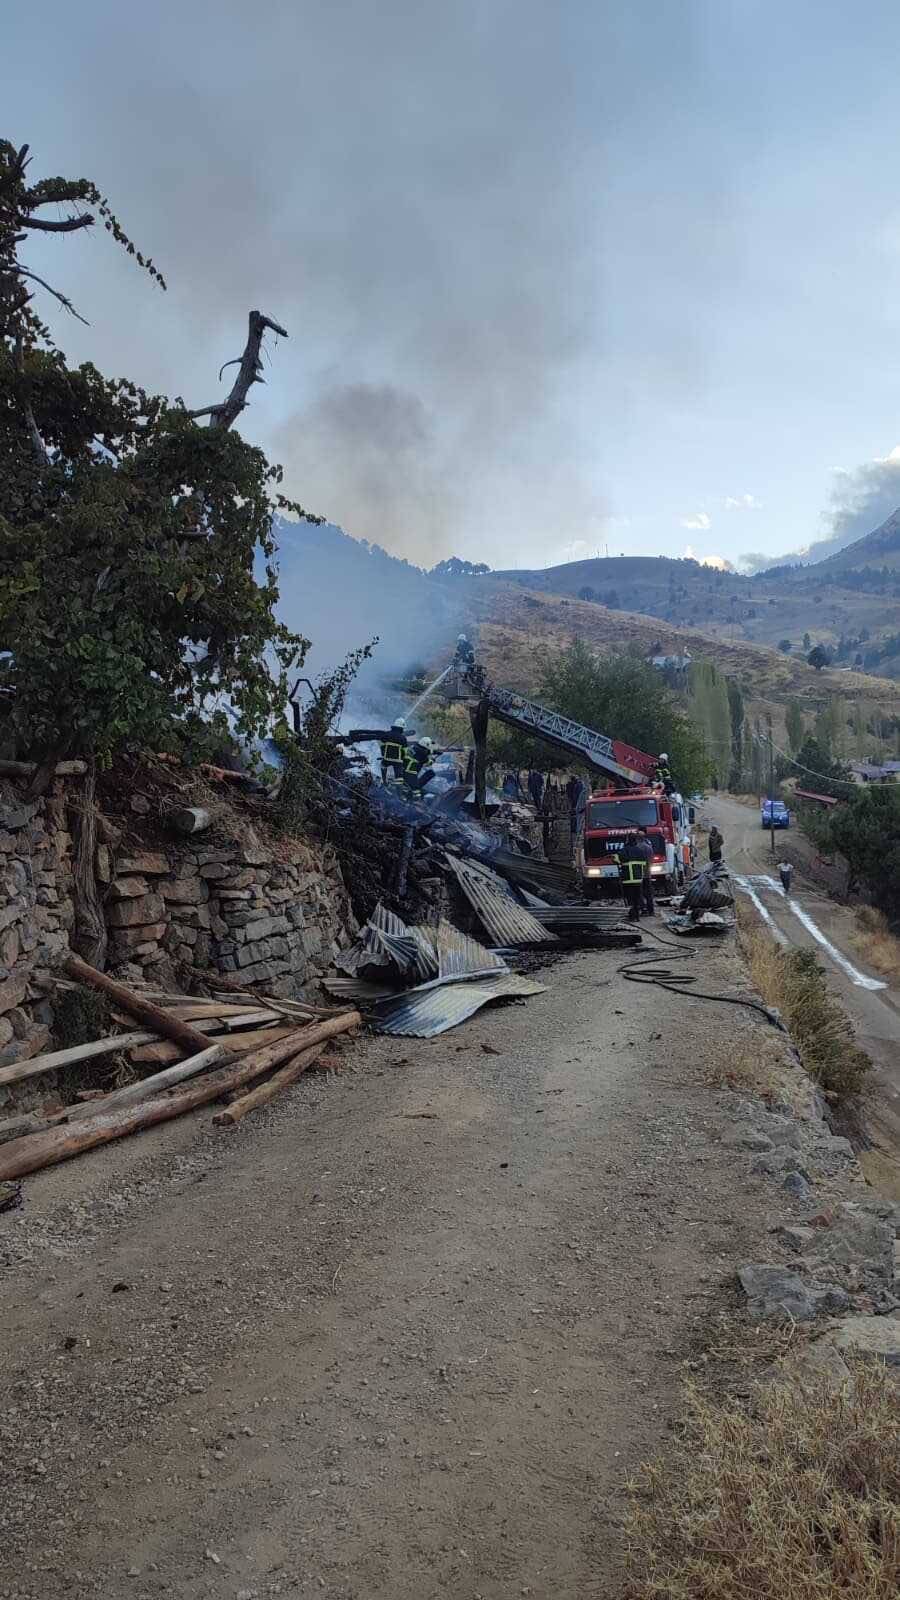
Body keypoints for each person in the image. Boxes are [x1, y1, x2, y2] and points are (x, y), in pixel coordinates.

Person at [615, 836, 647, 922]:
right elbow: (644, 863)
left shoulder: (624, 850)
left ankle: (632, 916)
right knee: (637, 898)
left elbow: (616, 860)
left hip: (627, 879)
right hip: (638, 879)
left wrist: (615, 857)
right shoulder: (640, 851)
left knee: (630, 899)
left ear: (627, 841)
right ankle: (637, 916)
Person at [634, 826, 655, 916]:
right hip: (647, 873)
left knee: (639, 893)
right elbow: (651, 860)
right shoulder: (649, 847)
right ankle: (651, 911)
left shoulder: (636, 848)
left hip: (638, 874)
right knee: (649, 893)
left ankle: (643, 909)